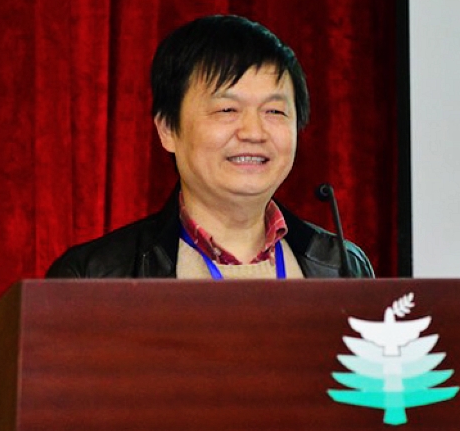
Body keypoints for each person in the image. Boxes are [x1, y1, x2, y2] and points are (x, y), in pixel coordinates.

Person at [46, 14, 374, 279]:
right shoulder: (93, 276)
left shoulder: (343, 266)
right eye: (227, 110)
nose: (253, 132)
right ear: (167, 129)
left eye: (274, 111)